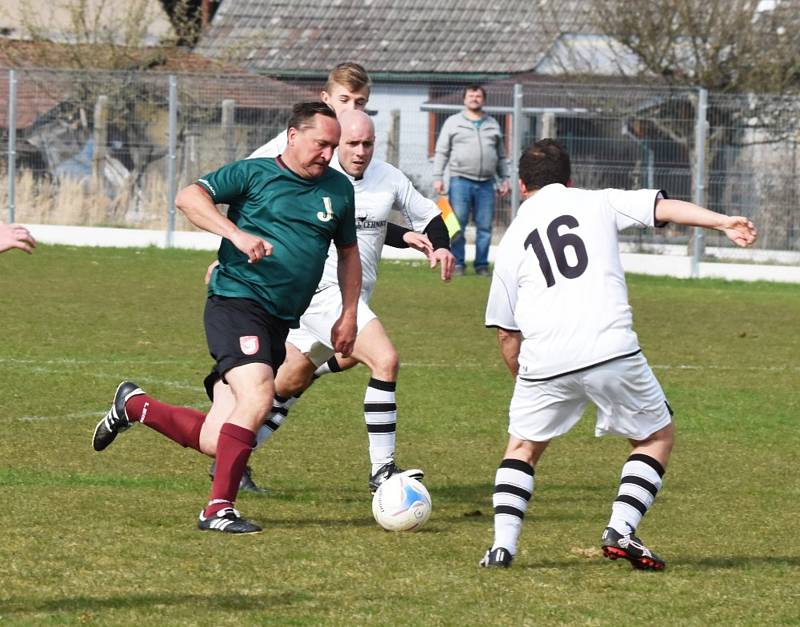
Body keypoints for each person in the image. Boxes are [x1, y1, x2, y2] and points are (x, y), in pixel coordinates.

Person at [480, 139, 757, 570]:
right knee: (655, 436)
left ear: (520, 186)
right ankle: (621, 528)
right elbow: (663, 207)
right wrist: (722, 222)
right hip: (610, 347)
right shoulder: (597, 201)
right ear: (570, 180)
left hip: (545, 355)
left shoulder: (513, 238)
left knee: (521, 449)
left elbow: (505, 333)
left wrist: (527, 381)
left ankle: (502, 548)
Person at [90, 102, 362, 534]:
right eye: (320, 144)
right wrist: (235, 233)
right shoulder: (253, 174)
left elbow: (349, 254)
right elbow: (188, 197)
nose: (328, 154)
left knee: (218, 439)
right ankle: (217, 509)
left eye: (333, 146)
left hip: (278, 320)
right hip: (237, 302)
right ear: (293, 136)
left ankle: (134, 405)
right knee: (258, 396)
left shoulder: (338, 190)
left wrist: (348, 314)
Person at [208, 109, 456, 494]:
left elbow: (414, 217)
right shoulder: (318, 178)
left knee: (289, 383)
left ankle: (230, 459)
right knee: (385, 359)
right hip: (324, 294)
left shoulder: (388, 178)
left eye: (367, 143)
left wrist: (438, 244)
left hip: (350, 297)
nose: (360, 151)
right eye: (351, 143)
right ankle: (383, 471)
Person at [433, 85, 510, 277]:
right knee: (456, 225)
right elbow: (442, 151)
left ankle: (481, 265)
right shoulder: (453, 122)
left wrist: (505, 179)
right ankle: (458, 263)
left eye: (478, 95)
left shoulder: (493, 123)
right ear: (464, 99)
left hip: (487, 183)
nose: (474, 98)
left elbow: (500, 155)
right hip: (460, 180)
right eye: (471, 95)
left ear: (483, 99)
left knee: (485, 227)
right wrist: (437, 177)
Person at [249, 62, 371, 160]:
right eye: (344, 100)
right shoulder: (299, 136)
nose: (352, 108)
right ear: (325, 98)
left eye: (360, 102)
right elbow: (249, 169)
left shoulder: (364, 148)